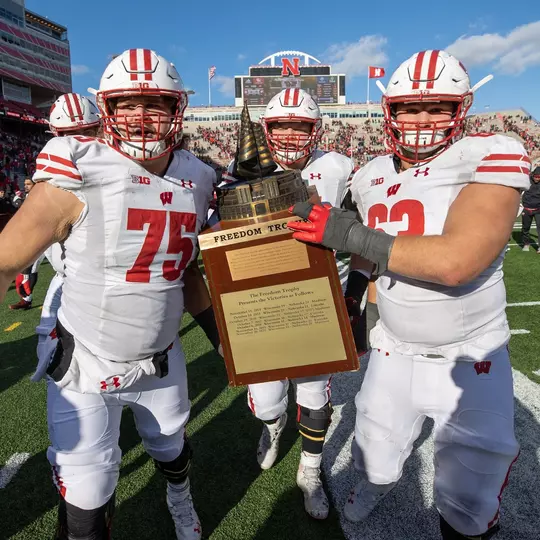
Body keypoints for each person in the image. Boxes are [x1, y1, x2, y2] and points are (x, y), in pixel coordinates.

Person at [288, 50, 530, 539]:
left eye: (436, 107)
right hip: (394, 347)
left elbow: (457, 262)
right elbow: (366, 252)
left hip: (472, 354)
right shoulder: (370, 173)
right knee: (374, 450)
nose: (421, 120)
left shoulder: (491, 152)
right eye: (409, 109)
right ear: (389, 112)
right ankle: (376, 485)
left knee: (470, 495)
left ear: (461, 108)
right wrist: (354, 301)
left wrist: (347, 234)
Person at [0, 49, 219, 540]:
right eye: (126, 104)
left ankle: (179, 496)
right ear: (107, 110)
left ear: (176, 108)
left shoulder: (200, 177)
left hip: (161, 358)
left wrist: (226, 340)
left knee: (171, 452)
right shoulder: (78, 164)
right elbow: (6, 259)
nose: (140, 115)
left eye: (154, 103)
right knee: (85, 504)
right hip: (86, 363)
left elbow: (194, 274)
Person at [228, 88, 353, 520]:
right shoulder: (245, 167)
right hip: (264, 300)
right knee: (268, 402)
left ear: (315, 129)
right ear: (266, 128)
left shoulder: (340, 169)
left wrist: (355, 295)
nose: (290, 134)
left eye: (299, 125)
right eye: (281, 124)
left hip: (321, 299)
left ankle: (310, 470)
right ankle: (273, 427)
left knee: (315, 395)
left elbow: (363, 231)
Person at [521, 165, 540, 252]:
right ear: (533, 175)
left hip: (538, 209)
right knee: (525, 228)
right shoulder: (526, 180)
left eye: (539, 177)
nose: (537, 178)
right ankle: (526, 244)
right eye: (536, 176)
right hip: (527, 208)